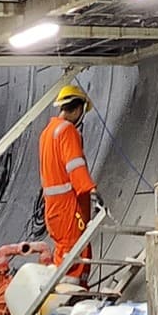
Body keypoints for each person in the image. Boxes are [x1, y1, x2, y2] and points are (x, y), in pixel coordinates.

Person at [39, 85, 100, 282]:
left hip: (52, 209)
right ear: (77, 109)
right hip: (68, 208)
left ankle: (63, 297)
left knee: (64, 253)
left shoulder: (47, 133)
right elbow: (74, 165)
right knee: (76, 256)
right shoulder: (67, 131)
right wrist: (91, 190)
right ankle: (71, 302)